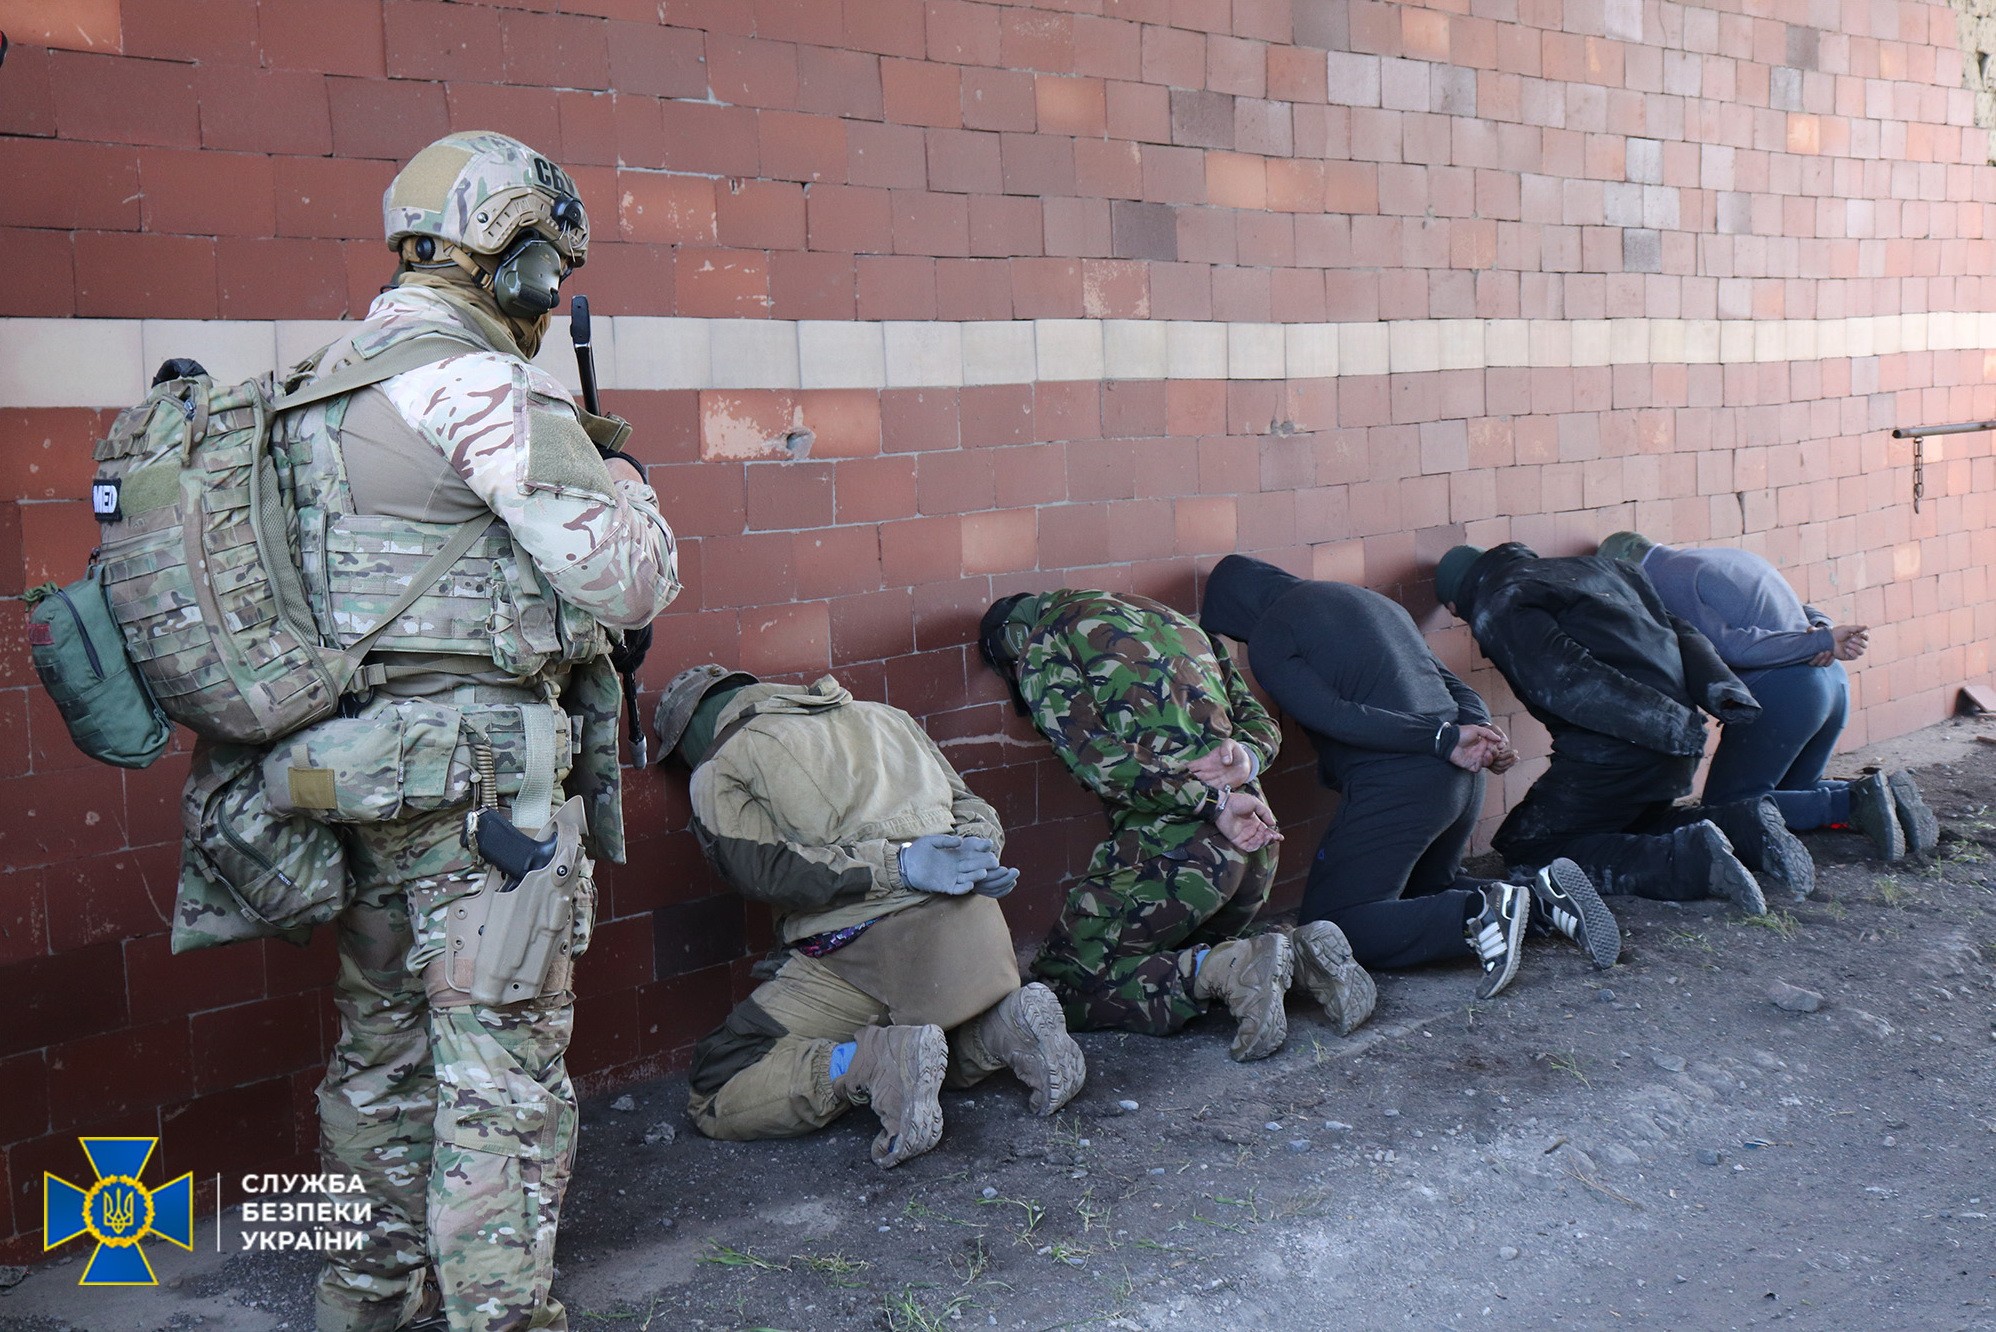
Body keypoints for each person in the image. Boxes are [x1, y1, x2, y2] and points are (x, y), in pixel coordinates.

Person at [271, 132, 680, 1332]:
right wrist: (630, 480)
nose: (550, 300)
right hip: (484, 797)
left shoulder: (311, 385)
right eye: (547, 270)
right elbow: (626, 583)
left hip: (351, 779)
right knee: (498, 1083)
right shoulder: (483, 386)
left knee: (378, 1066)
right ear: (511, 261)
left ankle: (362, 1302)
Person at [658, 666, 1085, 1169]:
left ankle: (864, 1063)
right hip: (981, 937)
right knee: (926, 1048)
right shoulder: (886, 716)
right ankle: (1003, 1027)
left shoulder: (722, 760)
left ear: (689, 737)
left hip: (869, 952)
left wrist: (898, 865)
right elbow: (972, 807)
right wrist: (977, 854)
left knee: (719, 1081)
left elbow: (764, 873)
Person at [978, 589, 1376, 1062]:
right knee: (1174, 945)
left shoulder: (1042, 644)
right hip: (1255, 845)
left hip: (1178, 854)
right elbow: (1262, 723)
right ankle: (1303, 954)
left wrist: (1211, 803)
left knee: (1061, 986)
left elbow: (1100, 765)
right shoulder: (1178, 621)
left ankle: (1230, 969)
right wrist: (1244, 761)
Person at [1200, 555, 1620, 1001]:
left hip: (1403, 778)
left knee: (1334, 924)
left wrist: (1442, 740)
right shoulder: (1372, 602)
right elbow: (1458, 688)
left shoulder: (1270, 632)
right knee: (1425, 889)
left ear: (1235, 610)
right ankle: (1542, 900)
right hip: (1461, 778)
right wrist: (1482, 737)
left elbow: (1334, 716)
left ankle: (1480, 913)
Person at [1433, 543, 1811, 913]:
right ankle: (1743, 826)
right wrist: (1722, 691)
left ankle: (1691, 864)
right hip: (1675, 737)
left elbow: (1568, 680)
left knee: (1530, 846)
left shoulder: (1498, 602)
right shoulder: (1610, 570)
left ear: (1455, 605)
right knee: (1631, 822)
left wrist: (1664, 724)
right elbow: (1684, 633)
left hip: (1624, 745)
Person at [1599, 532, 1937, 860]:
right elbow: (1803, 608)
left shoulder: (1666, 580)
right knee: (1794, 793)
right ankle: (1888, 797)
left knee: (1729, 806)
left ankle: (1853, 805)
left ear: (1626, 571)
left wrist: (1819, 642)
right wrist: (1822, 632)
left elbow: (1733, 647)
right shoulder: (1727, 557)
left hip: (1789, 693)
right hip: (1832, 683)